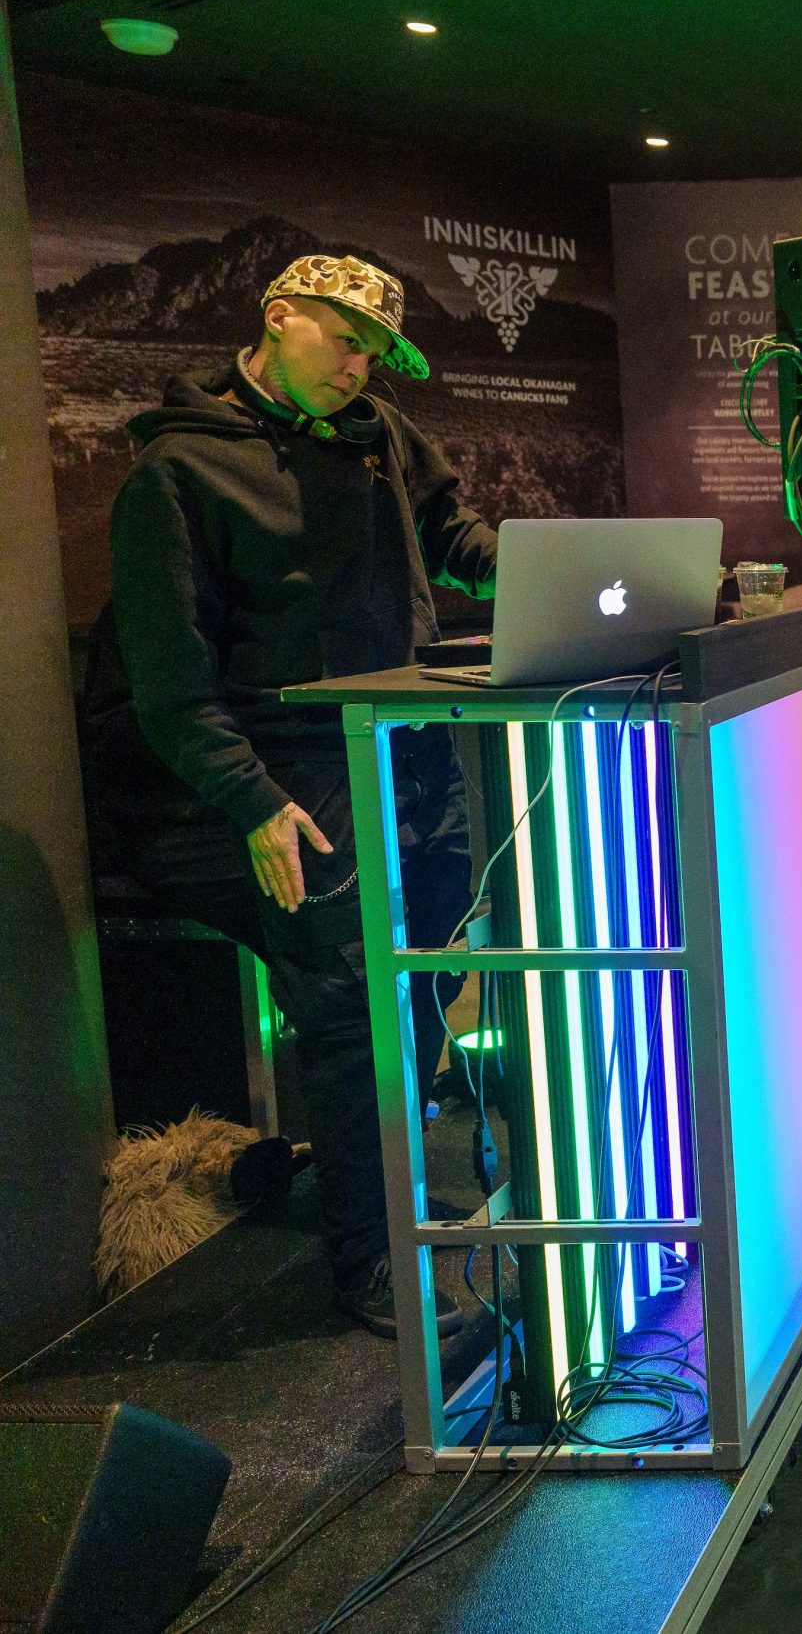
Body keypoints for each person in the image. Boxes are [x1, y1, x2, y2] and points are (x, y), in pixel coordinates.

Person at [80, 255, 493, 1336]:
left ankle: (369, 1177)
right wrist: (254, 801)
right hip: (274, 765)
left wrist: (542, 573)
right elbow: (170, 689)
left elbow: (452, 534)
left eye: (374, 352)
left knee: (430, 944)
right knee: (351, 991)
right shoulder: (175, 473)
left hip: (392, 739)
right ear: (277, 318)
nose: (359, 366)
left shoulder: (382, 438)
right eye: (343, 339)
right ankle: (371, 1260)